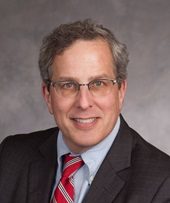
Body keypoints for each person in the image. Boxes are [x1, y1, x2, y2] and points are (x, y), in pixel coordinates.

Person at [0, 19, 170, 203]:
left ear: (120, 91)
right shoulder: (11, 156)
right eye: (68, 85)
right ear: (47, 95)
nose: (83, 102)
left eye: (98, 84)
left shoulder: (162, 184)